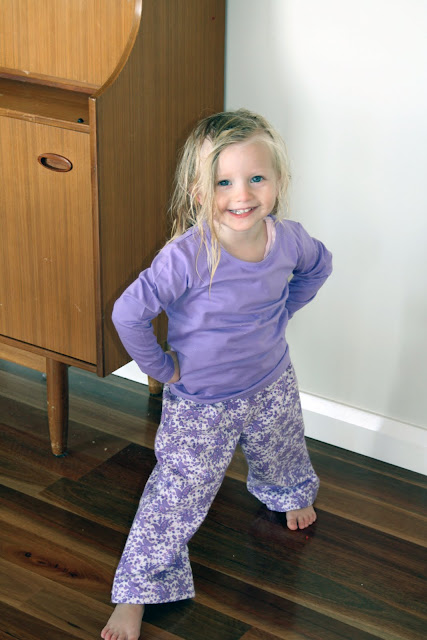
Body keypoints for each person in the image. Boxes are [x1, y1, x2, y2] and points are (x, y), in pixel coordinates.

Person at [101, 109, 332, 640]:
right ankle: (137, 591)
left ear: (278, 181)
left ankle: (289, 491)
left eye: (257, 178)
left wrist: (283, 312)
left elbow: (319, 266)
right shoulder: (186, 256)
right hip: (201, 404)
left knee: (282, 444)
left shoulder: (288, 239)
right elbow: (128, 313)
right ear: (198, 191)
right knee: (176, 495)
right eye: (224, 182)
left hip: (271, 381)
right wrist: (161, 368)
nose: (242, 194)